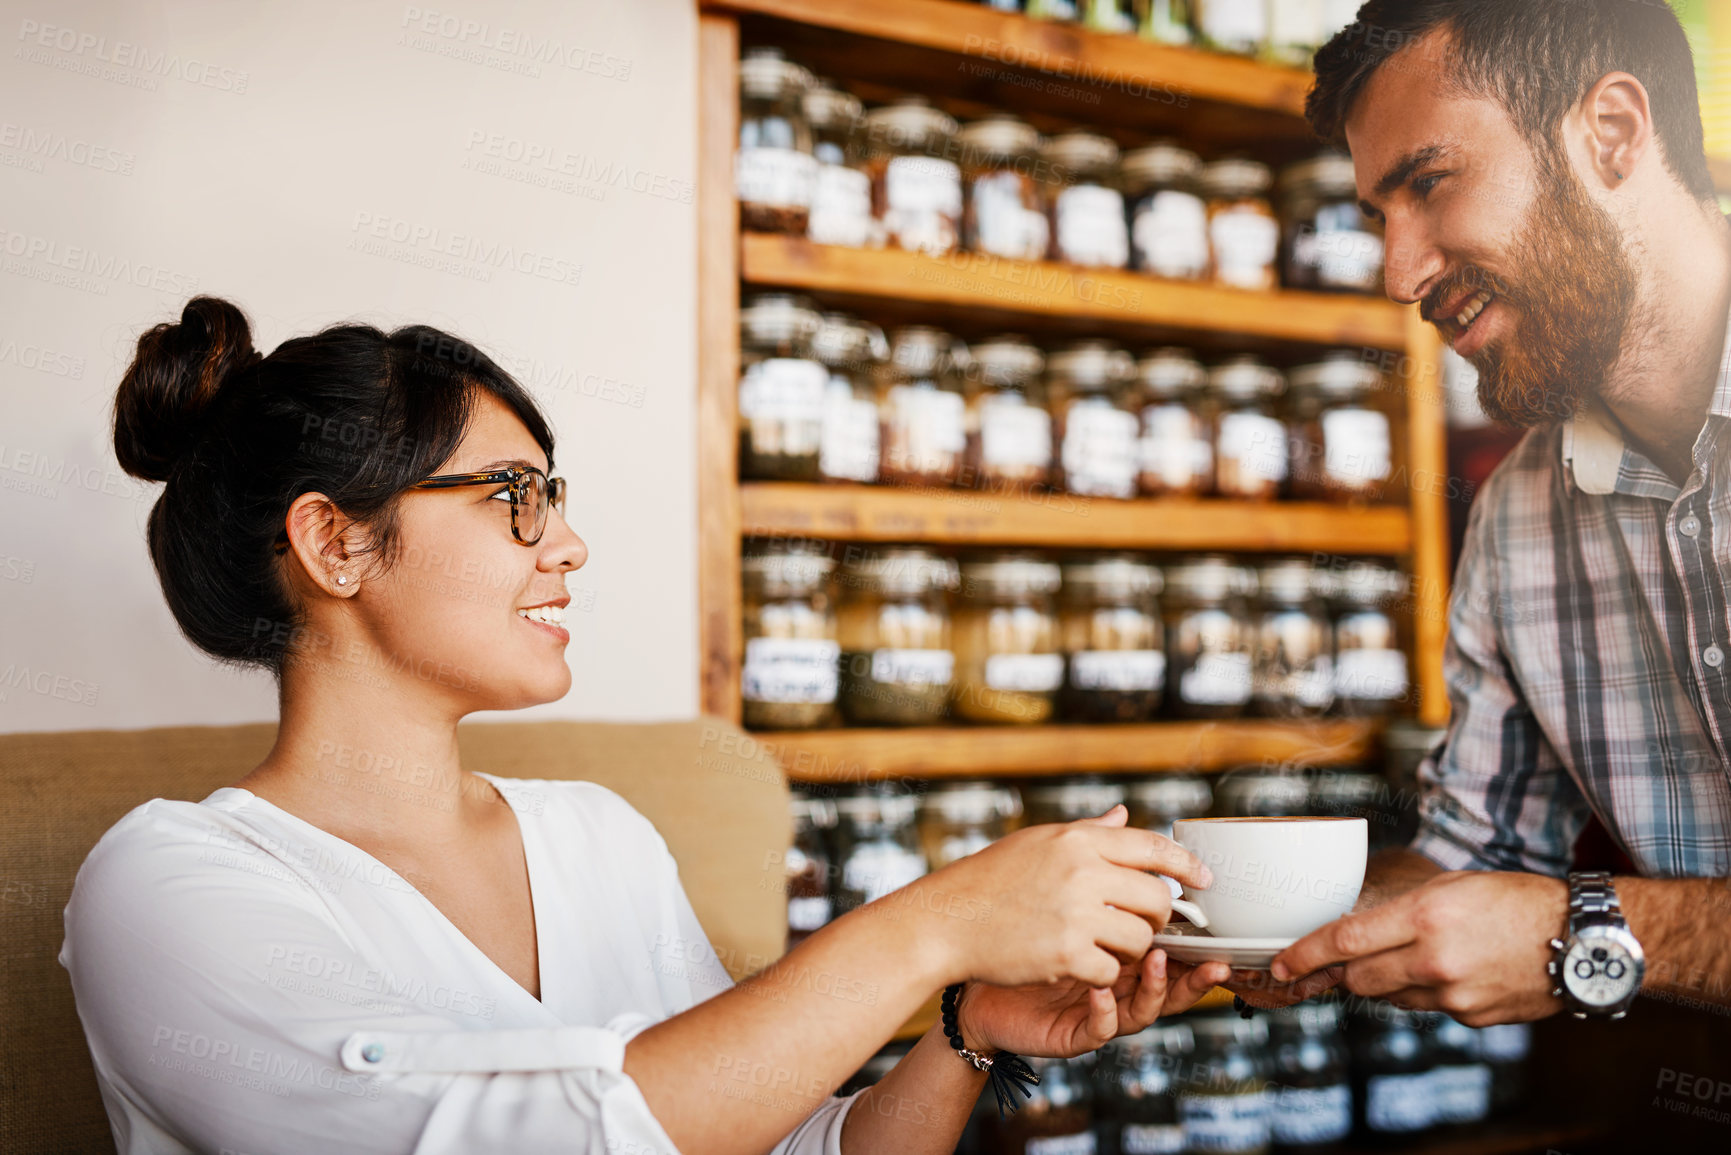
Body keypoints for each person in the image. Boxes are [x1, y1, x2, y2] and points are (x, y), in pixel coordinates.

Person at [60, 295, 1232, 1155]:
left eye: (555, 498)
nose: (566, 544)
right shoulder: (166, 886)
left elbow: (768, 1142)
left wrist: (970, 1031)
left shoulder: (598, 836)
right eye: (516, 497)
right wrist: (932, 927)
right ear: (337, 543)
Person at [1230, 0, 1731, 1025]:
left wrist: (1590, 934)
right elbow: (1477, 861)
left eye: (1428, 183)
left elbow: (1549, 919)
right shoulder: (1519, 516)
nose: (1399, 273)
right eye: (1380, 217)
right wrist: (1219, 928)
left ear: (1612, 134)